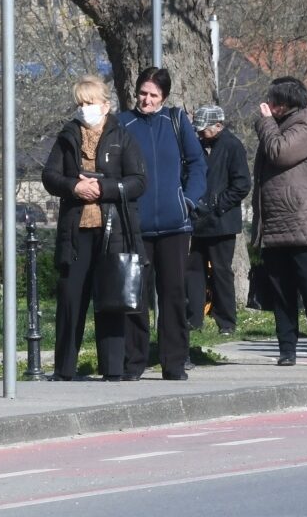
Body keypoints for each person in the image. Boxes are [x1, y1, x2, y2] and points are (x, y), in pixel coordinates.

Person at [41, 75, 146, 381]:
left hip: (112, 231)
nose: (84, 108)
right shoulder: (67, 136)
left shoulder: (122, 135)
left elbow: (139, 181)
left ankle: (112, 369)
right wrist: (74, 187)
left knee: (111, 298)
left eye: (89, 103)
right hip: (76, 232)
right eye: (80, 103)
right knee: (72, 299)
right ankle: (64, 369)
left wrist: (105, 189)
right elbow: (50, 176)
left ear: (105, 105)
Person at [118, 66, 207, 381]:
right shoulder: (122, 123)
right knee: (135, 296)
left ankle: (174, 362)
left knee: (172, 294)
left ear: (164, 97)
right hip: (135, 227)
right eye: (143, 93)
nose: (147, 100)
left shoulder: (176, 121)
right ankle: (134, 363)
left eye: (154, 95)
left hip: (174, 226)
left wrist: (189, 200)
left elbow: (197, 164)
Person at [253, 78, 307, 366]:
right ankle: (286, 347)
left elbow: (280, 152)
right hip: (278, 223)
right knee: (281, 290)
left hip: (304, 222)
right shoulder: (278, 125)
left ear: (286, 102)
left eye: (274, 101)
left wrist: (265, 123)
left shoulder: (306, 123)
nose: (269, 106)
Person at [186, 104, 250, 336]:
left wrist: (218, 205)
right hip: (198, 220)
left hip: (222, 222)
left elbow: (242, 184)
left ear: (219, 126)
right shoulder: (197, 146)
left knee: (222, 271)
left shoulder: (232, 146)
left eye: (205, 129)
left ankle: (227, 321)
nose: (201, 133)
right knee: (194, 270)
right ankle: (194, 318)